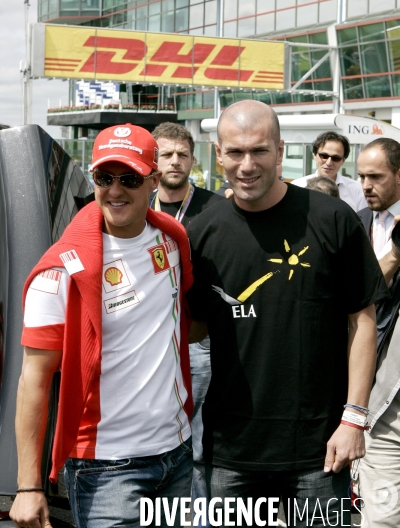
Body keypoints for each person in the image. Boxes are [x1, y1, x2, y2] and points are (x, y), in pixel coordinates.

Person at [187, 100, 388, 527]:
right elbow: (194, 327)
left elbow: (362, 320)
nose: (247, 165)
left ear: (280, 152)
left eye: (259, 151)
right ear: (217, 153)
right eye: (235, 152)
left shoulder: (332, 219)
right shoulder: (200, 232)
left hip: (319, 449)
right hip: (230, 451)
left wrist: (354, 416)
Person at [10, 124, 194, 528]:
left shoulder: (172, 239)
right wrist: (28, 487)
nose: (115, 190)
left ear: (154, 182)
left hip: (179, 454)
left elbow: (181, 322)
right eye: (104, 178)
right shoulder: (59, 273)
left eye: (129, 178)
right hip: (107, 471)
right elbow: (33, 380)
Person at [150, 121, 223, 525]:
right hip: (149, 338)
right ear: (154, 161)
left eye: (182, 154)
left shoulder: (215, 208)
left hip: (199, 340)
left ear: (194, 160)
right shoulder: (136, 204)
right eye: (166, 155)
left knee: (196, 439)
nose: (175, 162)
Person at [356, 138, 400, 528]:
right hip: (373, 385)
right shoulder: (354, 221)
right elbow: (357, 296)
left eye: (376, 177)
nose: (366, 185)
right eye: (361, 177)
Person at [292, 130, 367, 211]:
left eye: (336, 158)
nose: (329, 162)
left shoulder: (357, 190)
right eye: (324, 156)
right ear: (314, 155)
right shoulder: (297, 186)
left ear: (343, 161)